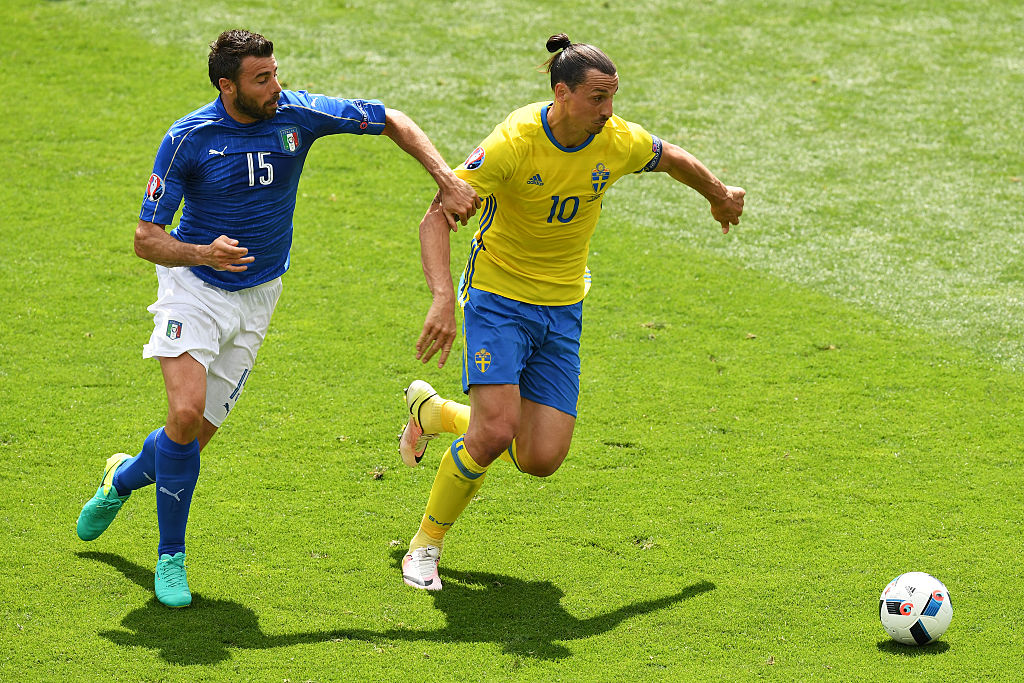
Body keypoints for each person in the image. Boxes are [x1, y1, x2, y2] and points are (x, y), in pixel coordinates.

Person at [75, 29, 480, 608]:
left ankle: (121, 478)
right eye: (261, 79)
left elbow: (393, 119)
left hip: (259, 297)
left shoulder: (298, 114)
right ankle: (171, 558)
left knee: (190, 441)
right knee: (184, 414)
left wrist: (446, 178)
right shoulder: (188, 138)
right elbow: (146, 239)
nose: (275, 86)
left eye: (275, 73)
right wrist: (201, 253)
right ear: (227, 85)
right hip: (193, 288)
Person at [397, 34, 745, 590]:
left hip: (562, 307)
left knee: (539, 457)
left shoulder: (615, 140)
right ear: (562, 94)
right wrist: (442, 298)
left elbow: (670, 156)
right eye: (598, 98)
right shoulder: (513, 142)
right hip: (498, 298)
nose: (609, 111)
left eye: (613, 97)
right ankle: (425, 547)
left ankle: (433, 415)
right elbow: (436, 216)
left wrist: (718, 194)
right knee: (492, 436)